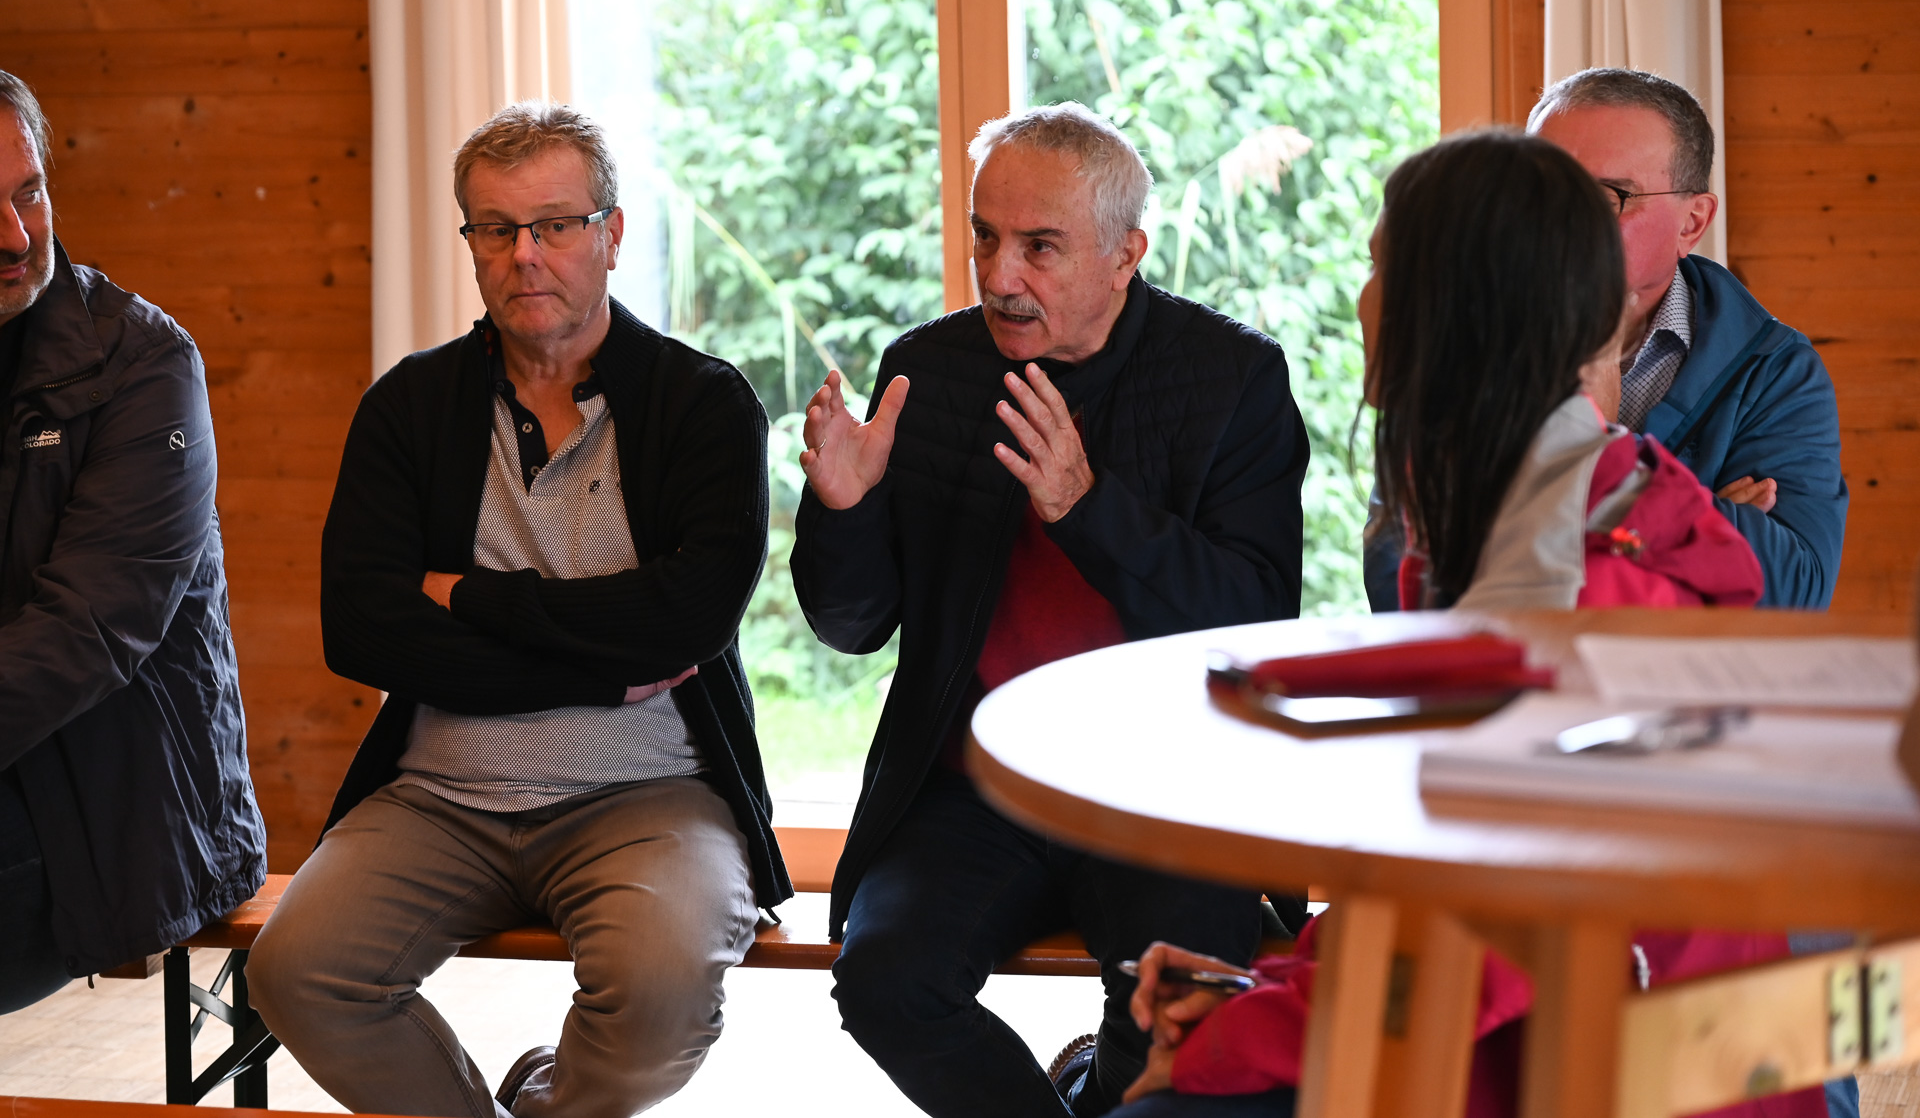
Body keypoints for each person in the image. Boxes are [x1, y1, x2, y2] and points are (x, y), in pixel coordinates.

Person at [1106, 130, 1848, 1118]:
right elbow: (1442, 888)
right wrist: (1261, 988)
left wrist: (1234, 1041)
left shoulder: (1573, 603)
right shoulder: (1527, 530)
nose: (1363, 300)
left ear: (1455, 321)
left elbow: (1464, 968)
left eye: (1382, 269)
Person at [248, 101, 788, 1118]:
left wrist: (470, 597)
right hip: (439, 797)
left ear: (612, 234)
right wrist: (603, 669)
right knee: (297, 972)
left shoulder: (702, 403)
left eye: (554, 225)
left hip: (649, 794)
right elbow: (360, 630)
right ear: (471, 244)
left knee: (662, 990)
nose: (524, 255)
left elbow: (689, 619)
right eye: (496, 229)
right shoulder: (409, 407)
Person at [789, 101, 1311, 1117]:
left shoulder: (1232, 377)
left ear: (1125, 256)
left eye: (1039, 246)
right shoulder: (929, 372)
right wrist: (845, 511)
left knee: (1179, 1018)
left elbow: (1252, 618)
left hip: (1164, 790)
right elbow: (851, 627)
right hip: (977, 786)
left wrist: (1085, 508)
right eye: (985, 237)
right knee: (885, 980)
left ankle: (1097, 1084)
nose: (999, 275)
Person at [1365, 69, 1845, 611]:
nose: (1557, 227)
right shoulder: (1462, 335)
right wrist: (1686, 521)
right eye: (1539, 197)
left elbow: (1794, 594)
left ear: (1692, 223)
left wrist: (1587, 445)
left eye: (1605, 196)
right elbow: (1394, 575)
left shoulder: (1773, 369)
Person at [0, 69, 266, 1016]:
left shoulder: (144, 363)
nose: (16, 236)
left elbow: (86, 632)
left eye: (30, 192)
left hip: (121, 824)